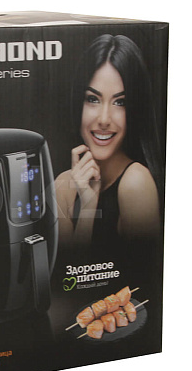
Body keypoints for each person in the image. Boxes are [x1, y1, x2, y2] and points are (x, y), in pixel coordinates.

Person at [55, 35, 163, 248]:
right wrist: (87, 205)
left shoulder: (136, 182)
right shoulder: (63, 185)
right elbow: (67, 267)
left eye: (120, 102)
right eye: (93, 99)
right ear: (79, 103)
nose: (104, 119)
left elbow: (140, 268)